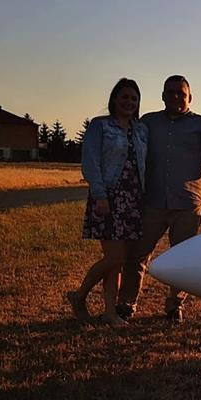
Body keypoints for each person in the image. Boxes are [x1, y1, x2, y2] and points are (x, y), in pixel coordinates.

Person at [116, 75, 201, 323]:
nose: (175, 97)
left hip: (188, 203)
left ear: (190, 97)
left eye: (181, 93)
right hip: (152, 201)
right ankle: (126, 303)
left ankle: (175, 306)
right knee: (137, 254)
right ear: (163, 95)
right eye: (170, 92)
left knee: (183, 259)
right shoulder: (148, 122)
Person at [67, 78, 148, 327]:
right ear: (114, 99)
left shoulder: (141, 129)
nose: (129, 102)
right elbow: (90, 163)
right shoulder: (100, 126)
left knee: (118, 261)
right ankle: (79, 296)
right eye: (124, 97)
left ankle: (110, 312)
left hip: (134, 199)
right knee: (114, 257)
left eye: (133, 99)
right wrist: (100, 195)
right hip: (109, 197)